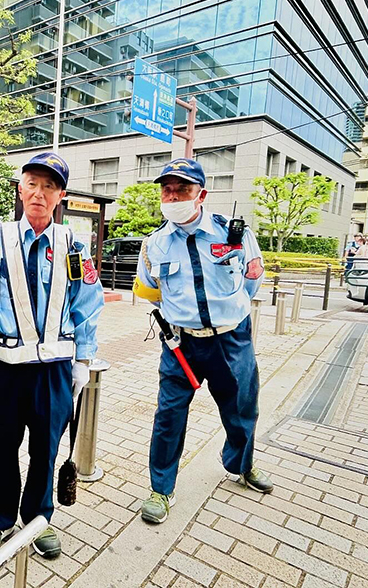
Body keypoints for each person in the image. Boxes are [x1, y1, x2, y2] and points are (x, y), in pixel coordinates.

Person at [0, 152, 104, 561]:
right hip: (5, 367)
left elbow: (87, 302)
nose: (39, 193)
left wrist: (84, 360)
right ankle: (0, 516)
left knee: (46, 448)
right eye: (32, 184)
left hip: (55, 369)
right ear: (20, 189)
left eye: (49, 186)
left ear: (60, 195)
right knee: (0, 444)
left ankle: (39, 518)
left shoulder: (73, 244)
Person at [134, 158, 273, 525]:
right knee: (168, 415)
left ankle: (241, 464)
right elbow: (151, 293)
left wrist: (226, 311)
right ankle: (161, 488)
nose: (173, 196)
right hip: (181, 344)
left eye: (183, 189)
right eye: (167, 189)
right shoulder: (154, 245)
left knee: (242, 407)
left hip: (232, 340)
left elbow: (253, 280)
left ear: (202, 195)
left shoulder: (235, 234)